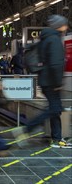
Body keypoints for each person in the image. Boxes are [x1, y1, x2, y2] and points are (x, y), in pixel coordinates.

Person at [13, 15, 72, 148]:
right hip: (51, 81)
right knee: (55, 108)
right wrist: (58, 83)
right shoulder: (54, 39)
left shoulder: (45, 38)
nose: (67, 26)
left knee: (55, 109)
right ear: (59, 25)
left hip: (45, 79)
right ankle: (26, 129)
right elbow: (56, 63)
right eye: (65, 24)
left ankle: (57, 139)